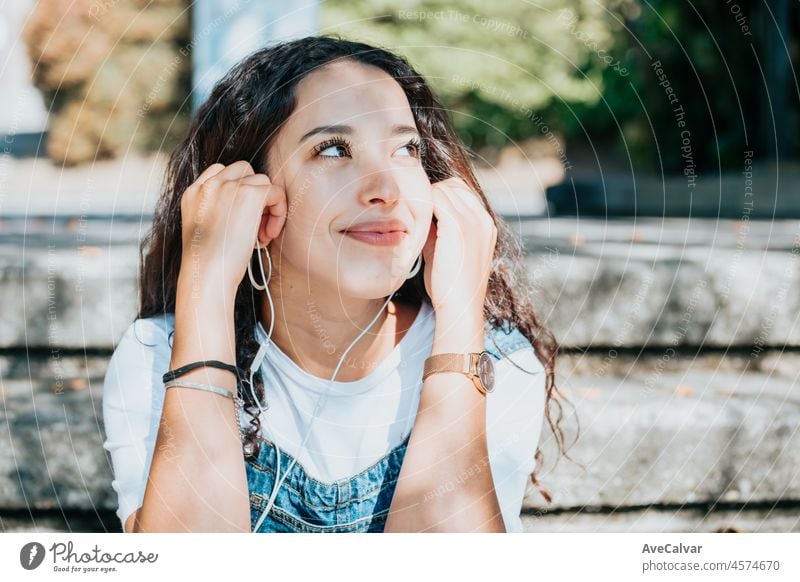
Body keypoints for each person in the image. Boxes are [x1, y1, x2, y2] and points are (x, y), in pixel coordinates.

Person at [101, 34, 568, 534]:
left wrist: (459, 319)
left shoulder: (496, 361)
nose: (385, 189)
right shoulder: (158, 355)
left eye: (406, 149)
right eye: (332, 149)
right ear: (253, 199)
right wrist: (207, 287)